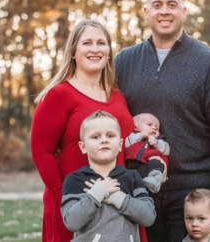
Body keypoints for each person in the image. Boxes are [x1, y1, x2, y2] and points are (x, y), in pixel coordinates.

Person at [114, 0, 210, 241]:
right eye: (157, 5)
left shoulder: (209, 62)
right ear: (145, 12)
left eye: (172, 5)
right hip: (140, 189)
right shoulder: (124, 62)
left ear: (183, 12)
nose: (164, 11)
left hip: (194, 194)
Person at [30, 20, 135, 242]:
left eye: (101, 43)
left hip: (118, 205)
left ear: (108, 53)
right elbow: (42, 153)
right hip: (75, 203)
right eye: (86, 43)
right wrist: (64, 199)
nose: (95, 49)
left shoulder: (119, 97)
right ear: (73, 52)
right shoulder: (58, 95)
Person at [61, 110, 156, 242]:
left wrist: (116, 197)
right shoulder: (75, 180)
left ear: (120, 144)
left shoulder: (132, 177)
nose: (104, 140)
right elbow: (72, 222)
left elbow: (148, 217)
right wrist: (97, 193)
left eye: (110, 135)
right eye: (96, 137)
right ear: (83, 147)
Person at [124, 113, 170, 193]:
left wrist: (156, 143)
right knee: (129, 176)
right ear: (135, 127)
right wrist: (140, 136)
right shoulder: (132, 136)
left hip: (150, 164)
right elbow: (126, 144)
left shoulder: (159, 141)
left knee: (157, 165)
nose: (154, 128)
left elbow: (166, 150)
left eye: (157, 128)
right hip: (132, 164)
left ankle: (154, 181)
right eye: (149, 124)